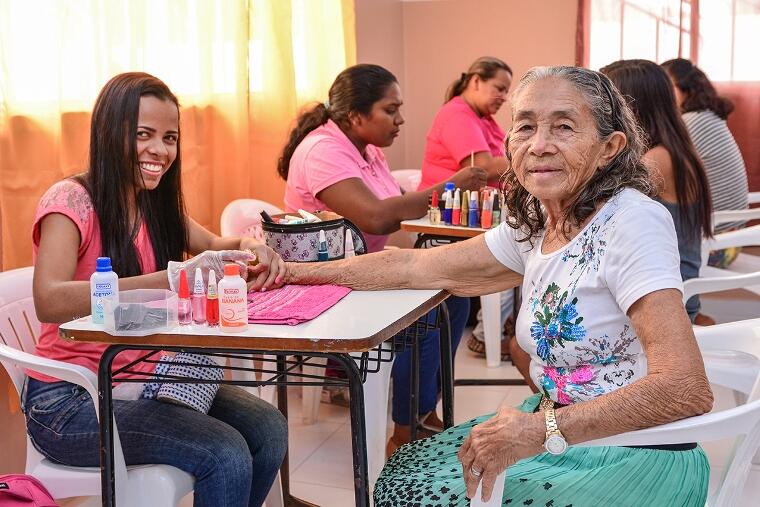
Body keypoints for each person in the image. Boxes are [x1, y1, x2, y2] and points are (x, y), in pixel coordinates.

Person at [282, 66, 713, 506]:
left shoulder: (630, 220)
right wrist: (293, 272)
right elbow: (414, 266)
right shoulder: (544, 221)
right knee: (403, 475)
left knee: (416, 495)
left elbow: (684, 388)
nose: (539, 144)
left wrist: (536, 431)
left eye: (564, 126)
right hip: (567, 434)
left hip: (630, 455)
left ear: (609, 148)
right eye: (525, 126)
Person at [25, 72, 288, 507]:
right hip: (67, 404)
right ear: (110, 133)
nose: (160, 151)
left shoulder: (152, 202)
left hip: (139, 380)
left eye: (170, 138)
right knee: (223, 452)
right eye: (143, 135)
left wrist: (249, 246)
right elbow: (48, 299)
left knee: (268, 428)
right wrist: (169, 278)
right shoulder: (70, 201)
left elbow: (218, 246)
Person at [278, 63, 486, 454]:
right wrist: (449, 186)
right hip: (324, 276)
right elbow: (375, 215)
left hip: (361, 265)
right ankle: (406, 431)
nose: (401, 119)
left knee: (456, 292)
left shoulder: (366, 149)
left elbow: (393, 206)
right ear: (356, 116)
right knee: (423, 310)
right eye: (390, 110)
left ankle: (423, 411)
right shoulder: (323, 150)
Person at [601, 59, 712, 325]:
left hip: (666, 300)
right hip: (665, 288)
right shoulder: (675, 151)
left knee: (524, 345)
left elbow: (600, 212)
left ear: (628, 107)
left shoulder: (656, 161)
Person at [420, 56, 515, 361]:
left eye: (506, 90)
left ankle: (499, 330)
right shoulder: (457, 115)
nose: (503, 96)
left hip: (478, 215)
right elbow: (482, 168)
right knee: (516, 253)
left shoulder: (483, 119)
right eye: (498, 87)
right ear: (476, 80)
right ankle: (488, 334)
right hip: (451, 218)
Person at [662, 57, 749, 268]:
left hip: (715, 245)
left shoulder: (692, 122)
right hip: (732, 238)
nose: (662, 94)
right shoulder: (706, 116)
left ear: (687, 89)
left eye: (667, 87)